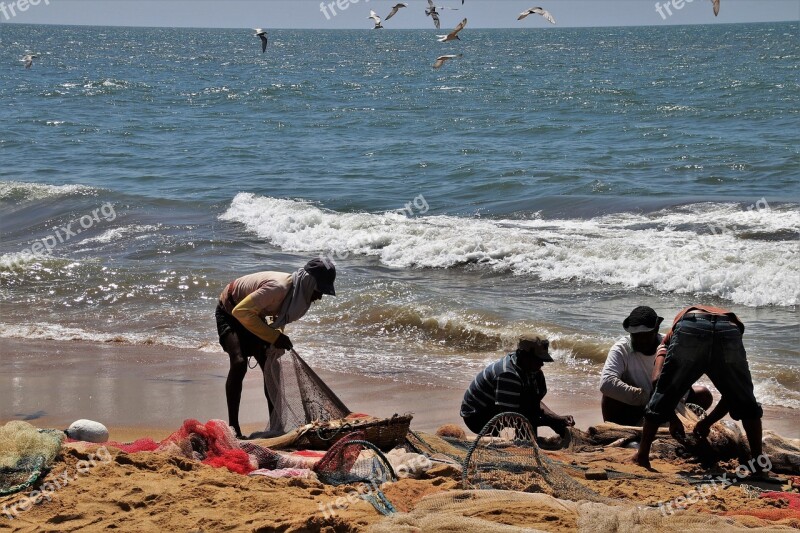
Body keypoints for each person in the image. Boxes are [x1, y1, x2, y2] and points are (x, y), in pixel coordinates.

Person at [631, 306, 765, 474]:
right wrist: (706, 423)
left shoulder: (668, 338)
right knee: (746, 402)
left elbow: (657, 381)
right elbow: (731, 396)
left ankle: (642, 456)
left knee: (662, 393)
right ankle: (759, 465)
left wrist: (671, 418)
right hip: (729, 328)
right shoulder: (725, 328)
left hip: (691, 327)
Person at [216, 258, 336, 438]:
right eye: (319, 291)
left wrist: (275, 340)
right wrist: (274, 337)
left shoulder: (296, 294)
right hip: (229, 311)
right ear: (309, 283)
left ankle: (275, 427)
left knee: (272, 366)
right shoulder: (278, 288)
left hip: (254, 314)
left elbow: (277, 318)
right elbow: (240, 312)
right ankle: (233, 428)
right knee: (239, 361)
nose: (319, 297)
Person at [600, 306, 712, 426]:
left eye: (645, 335)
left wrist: (666, 401)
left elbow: (683, 380)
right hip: (635, 406)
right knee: (609, 398)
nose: (640, 340)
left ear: (656, 330)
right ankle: (618, 431)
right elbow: (606, 383)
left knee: (703, 394)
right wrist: (645, 397)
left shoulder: (671, 346)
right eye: (635, 335)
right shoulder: (621, 349)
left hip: (667, 403)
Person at [460, 336, 575, 437]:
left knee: (530, 414)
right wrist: (550, 422)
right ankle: (525, 443)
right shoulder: (508, 375)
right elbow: (509, 417)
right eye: (538, 359)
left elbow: (534, 401)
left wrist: (555, 417)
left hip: (501, 406)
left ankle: (527, 441)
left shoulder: (530, 369)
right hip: (477, 417)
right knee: (527, 421)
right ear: (524, 355)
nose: (542, 364)